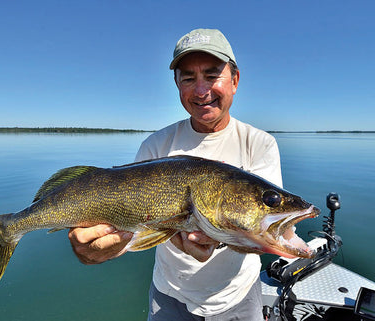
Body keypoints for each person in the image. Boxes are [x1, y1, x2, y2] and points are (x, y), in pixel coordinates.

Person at [68, 28, 283, 321]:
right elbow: (132, 232)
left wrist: (216, 237)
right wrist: (94, 252)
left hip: (238, 297)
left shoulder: (259, 144)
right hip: (169, 297)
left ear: (234, 80)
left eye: (211, 75)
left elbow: (262, 228)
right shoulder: (155, 146)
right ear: (177, 84)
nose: (200, 90)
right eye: (188, 78)